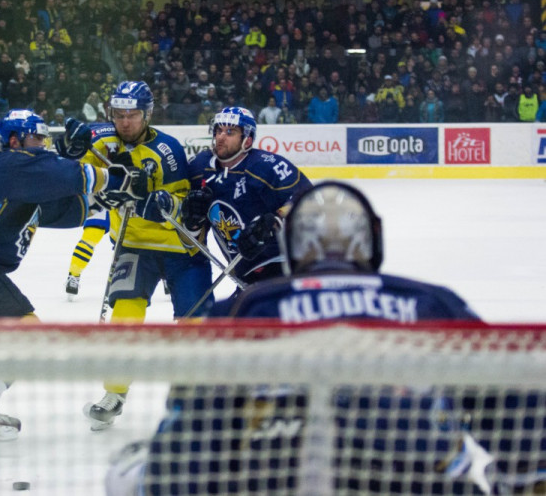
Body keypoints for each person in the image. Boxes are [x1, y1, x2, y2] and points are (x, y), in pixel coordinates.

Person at [106, 181, 496, 496]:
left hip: (273, 480)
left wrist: (154, 477)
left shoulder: (247, 307)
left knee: (127, 473)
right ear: (373, 241)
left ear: (292, 246)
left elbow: (190, 431)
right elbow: (513, 390)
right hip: (420, 480)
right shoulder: (430, 301)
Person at [0, 109, 147, 441]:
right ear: (14, 140)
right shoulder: (9, 163)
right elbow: (65, 174)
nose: (42, 146)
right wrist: (119, 179)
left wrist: (104, 201)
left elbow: (66, 209)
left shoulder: (22, 184)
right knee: (31, 336)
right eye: (37, 139)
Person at [78, 80, 213, 431]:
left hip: (180, 248)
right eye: (118, 114)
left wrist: (163, 203)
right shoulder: (104, 141)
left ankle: (198, 396)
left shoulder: (166, 149)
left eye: (132, 115)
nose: (124, 122)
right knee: (125, 315)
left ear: (147, 114)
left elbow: (186, 208)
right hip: (134, 244)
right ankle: (114, 393)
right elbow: (75, 176)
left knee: (194, 324)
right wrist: (70, 150)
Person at [181, 106, 312, 309]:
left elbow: (308, 200)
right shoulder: (199, 169)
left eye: (230, 132)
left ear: (247, 140)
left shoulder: (266, 166)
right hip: (245, 274)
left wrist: (275, 220)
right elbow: (191, 241)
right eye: (218, 131)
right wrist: (192, 221)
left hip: (285, 266)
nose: (221, 137)